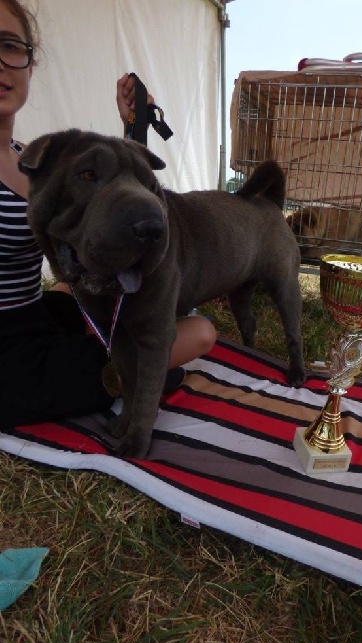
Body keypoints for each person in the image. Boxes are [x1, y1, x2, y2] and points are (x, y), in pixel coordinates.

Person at [0, 0, 216, 428]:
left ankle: (106, 351)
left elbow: (99, 197)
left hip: (35, 313)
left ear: (29, 62)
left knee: (91, 295)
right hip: (9, 356)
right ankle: (125, 373)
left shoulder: (33, 158)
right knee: (198, 334)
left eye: (9, 46)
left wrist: (132, 128)